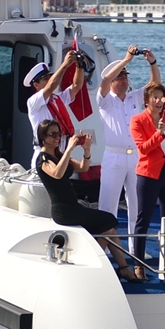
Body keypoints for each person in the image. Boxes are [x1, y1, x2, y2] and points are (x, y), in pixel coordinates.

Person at [34, 119, 134, 281]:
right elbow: (57, 174)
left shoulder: (58, 155)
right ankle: (98, 264)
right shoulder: (43, 159)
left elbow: (83, 168)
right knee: (108, 222)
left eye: (59, 134)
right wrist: (69, 149)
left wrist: (87, 150)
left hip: (73, 207)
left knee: (109, 226)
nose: (57, 138)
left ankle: (122, 269)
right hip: (64, 211)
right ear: (43, 137)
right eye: (53, 135)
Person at [96, 46, 156, 261]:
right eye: (119, 77)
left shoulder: (133, 98)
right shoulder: (104, 99)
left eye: (125, 76)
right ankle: (102, 249)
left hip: (135, 157)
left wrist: (152, 63)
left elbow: (154, 86)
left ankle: (136, 247)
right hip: (113, 157)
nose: (123, 80)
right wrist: (126, 60)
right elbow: (103, 82)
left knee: (137, 203)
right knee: (108, 205)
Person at [129, 81, 165, 280]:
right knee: (143, 219)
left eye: (162, 97)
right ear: (146, 100)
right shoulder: (137, 121)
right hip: (149, 174)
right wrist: (159, 133)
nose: (160, 101)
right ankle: (138, 264)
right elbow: (143, 148)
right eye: (155, 97)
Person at [24, 51, 84, 162]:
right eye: (45, 79)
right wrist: (65, 64)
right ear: (36, 85)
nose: (49, 80)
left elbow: (76, 86)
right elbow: (51, 85)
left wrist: (79, 66)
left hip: (60, 152)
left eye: (50, 77)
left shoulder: (57, 99)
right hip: (44, 153)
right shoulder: (33, 102)